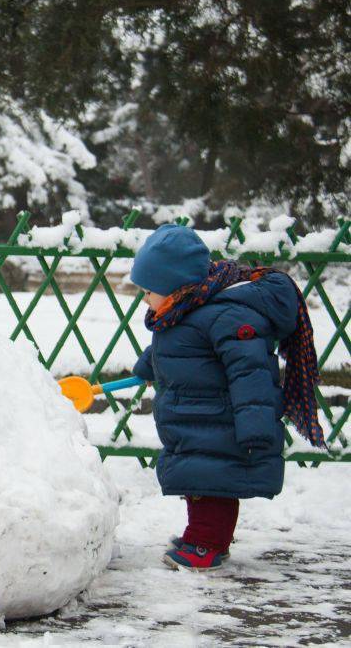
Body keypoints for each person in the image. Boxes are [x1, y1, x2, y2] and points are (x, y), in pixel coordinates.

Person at [130, 224, 325, 571]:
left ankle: (207, 545)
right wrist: (147, 367)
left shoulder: (224, 316)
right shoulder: (184, 311)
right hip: (196, 419)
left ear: (176, 287)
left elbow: (249, 373)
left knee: (212, 484)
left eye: (148, 290)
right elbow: (171, 347)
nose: (145, 298)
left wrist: (255, 426)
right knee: (199, 480)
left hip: (220, 422)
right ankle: (202, 537)